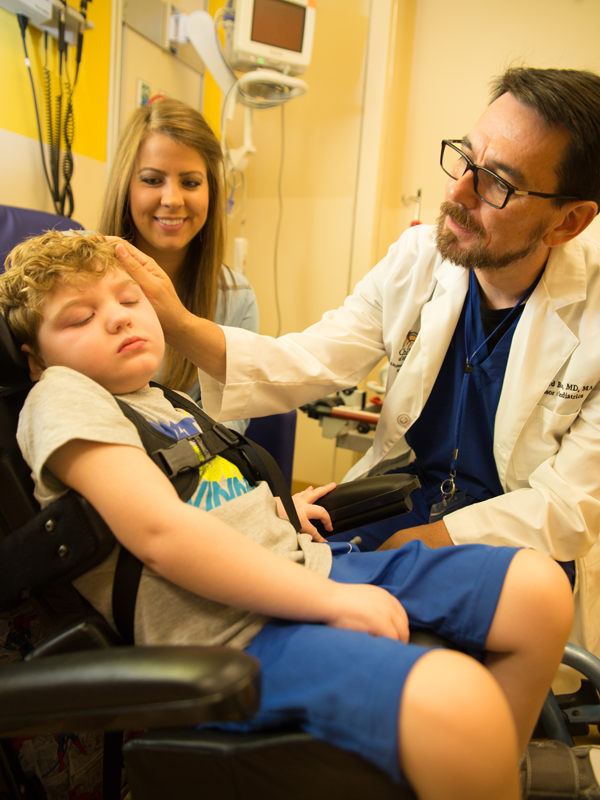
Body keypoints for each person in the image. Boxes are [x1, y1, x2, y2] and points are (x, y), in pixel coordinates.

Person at [0, 232, 574, 800]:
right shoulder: (63, 395)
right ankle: (473, 758)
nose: (120, 319)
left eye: (130, 301)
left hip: (303, 564)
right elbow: (159, 532)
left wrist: (271, 511)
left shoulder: (166, 400)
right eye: (80, 318)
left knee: (538, 591)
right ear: (33, 360)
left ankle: (480, 769)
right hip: (233, 633)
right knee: (461, 704)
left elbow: (203, 498)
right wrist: (335, 601)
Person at [113, 67, 600, 684]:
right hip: (389, 509)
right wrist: (180, 325)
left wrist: (428, 540)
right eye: (465, 160)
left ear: (568, 222)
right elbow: (313, 358)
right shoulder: (420, 257)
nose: (459, 192)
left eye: (498, 183)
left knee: (439, 657)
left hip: (509, 539)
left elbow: (569, 507)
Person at [98, 97, 258, 431]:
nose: (172, 199)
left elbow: (229, 430)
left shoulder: (236, 298)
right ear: (125, 188)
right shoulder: (77, 280)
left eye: (190, 182)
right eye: (153, 180)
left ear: (212, 192)